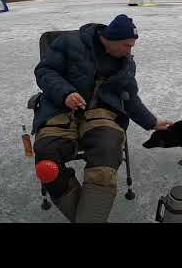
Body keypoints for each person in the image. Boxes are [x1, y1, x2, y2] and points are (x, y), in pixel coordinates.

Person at [32, 14, 173, 223]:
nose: (129, 51)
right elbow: (44, 71)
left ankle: (89, 218)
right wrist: (65, 93)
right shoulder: (69, 42)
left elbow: (130, 98)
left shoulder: (126, 63)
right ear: (111, 38)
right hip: (58, 112)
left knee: (107, 151)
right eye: (127, 45)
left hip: (101, 114)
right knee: (46, 160)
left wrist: (151, 122)